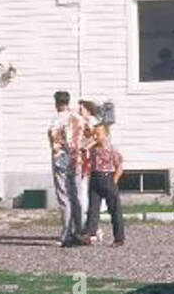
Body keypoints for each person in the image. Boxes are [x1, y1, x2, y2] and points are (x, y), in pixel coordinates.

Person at [48, 90, 83, 247]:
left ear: (56, 102)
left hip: (61, 159)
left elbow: (54, 138)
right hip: (77, 159)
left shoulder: (57, 120)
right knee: (76, 194)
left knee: (64, 195)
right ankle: (78, 229)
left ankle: (66, 232)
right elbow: (88, 134)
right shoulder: (78, 118)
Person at [81, 123, 125, 246]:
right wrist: (90, 140)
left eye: (98, 134)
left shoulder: (112, 149)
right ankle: (90, 234)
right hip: (95, 178)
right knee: (93, 209)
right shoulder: (93, 148)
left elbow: (119, 167)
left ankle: (119, 237)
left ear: (106, 135)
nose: (96, 136)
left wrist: (114, 181)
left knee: (114, 210)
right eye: (94, 134)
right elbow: (83, 150)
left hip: (107, 177)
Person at [76, 99, 101, 235]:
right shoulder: (84, 122)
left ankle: (92, 227)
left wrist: (86, 146)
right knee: (83, 189)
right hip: (84, 158)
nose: (79, 112)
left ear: (88, 110)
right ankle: (91, 227)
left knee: (86, 189)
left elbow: (98, 138)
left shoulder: (92, 121)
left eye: (81, 109)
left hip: (90, 159)